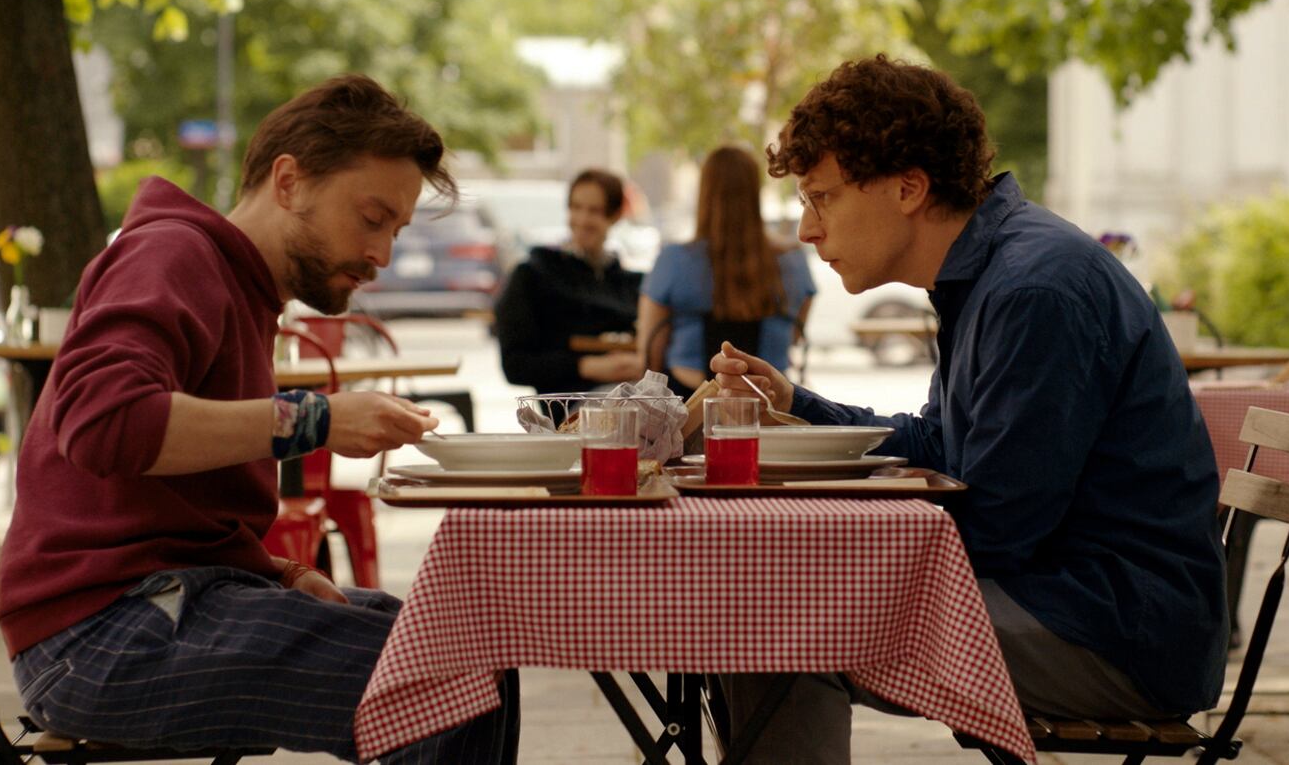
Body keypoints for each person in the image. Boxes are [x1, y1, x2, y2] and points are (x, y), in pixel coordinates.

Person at [711, 56, 1227, 761]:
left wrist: (832, 552)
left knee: (781, 622)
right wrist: (797, 403)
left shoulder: (1032, 289)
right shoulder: (992, 272)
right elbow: (941, 445)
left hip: (1110, 630)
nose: (807, 229)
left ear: (908, 187)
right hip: (1074, 599)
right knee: (769, 609)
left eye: (822, 198)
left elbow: (997, 523)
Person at [0, 76, 517, 762]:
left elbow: (166, 512)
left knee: (461, 647)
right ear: (290, 181)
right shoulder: (173, 255)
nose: (383, 254)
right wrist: (313, 419)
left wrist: (275, 572)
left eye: (396, 228)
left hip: (152, 604)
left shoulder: (234, 283)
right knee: (445, 680)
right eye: (370, 217)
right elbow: (102, 423)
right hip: (98, 636)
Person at [639, 145, 815, 394]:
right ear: (755, 191)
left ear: (705, 193)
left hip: (687, 408)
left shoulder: (673, 261)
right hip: (771, 404)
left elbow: (650, 353)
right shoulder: (794, 260)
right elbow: (795, 337)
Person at [494, 168, 645, 401]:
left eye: (594, 211)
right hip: (574, 407)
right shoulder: (533, 274)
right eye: (575, 208)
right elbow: (515, 364)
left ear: (614, 216)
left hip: (636, 393)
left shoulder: (632, 284)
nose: (582, 220)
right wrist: (587, 366)